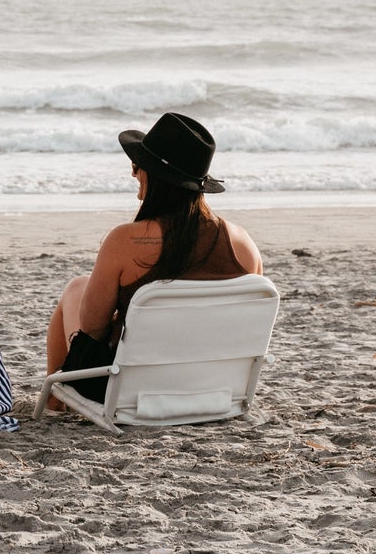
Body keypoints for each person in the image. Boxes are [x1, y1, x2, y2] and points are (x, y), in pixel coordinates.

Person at [45, 113, 261, 400]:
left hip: (132, 391)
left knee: (76, 288)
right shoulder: (243, 243)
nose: (134, 173)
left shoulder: (124, 240)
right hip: (212, 388)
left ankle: (55, 403)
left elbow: (92, 329)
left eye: (137, 166)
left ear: (153, 175)